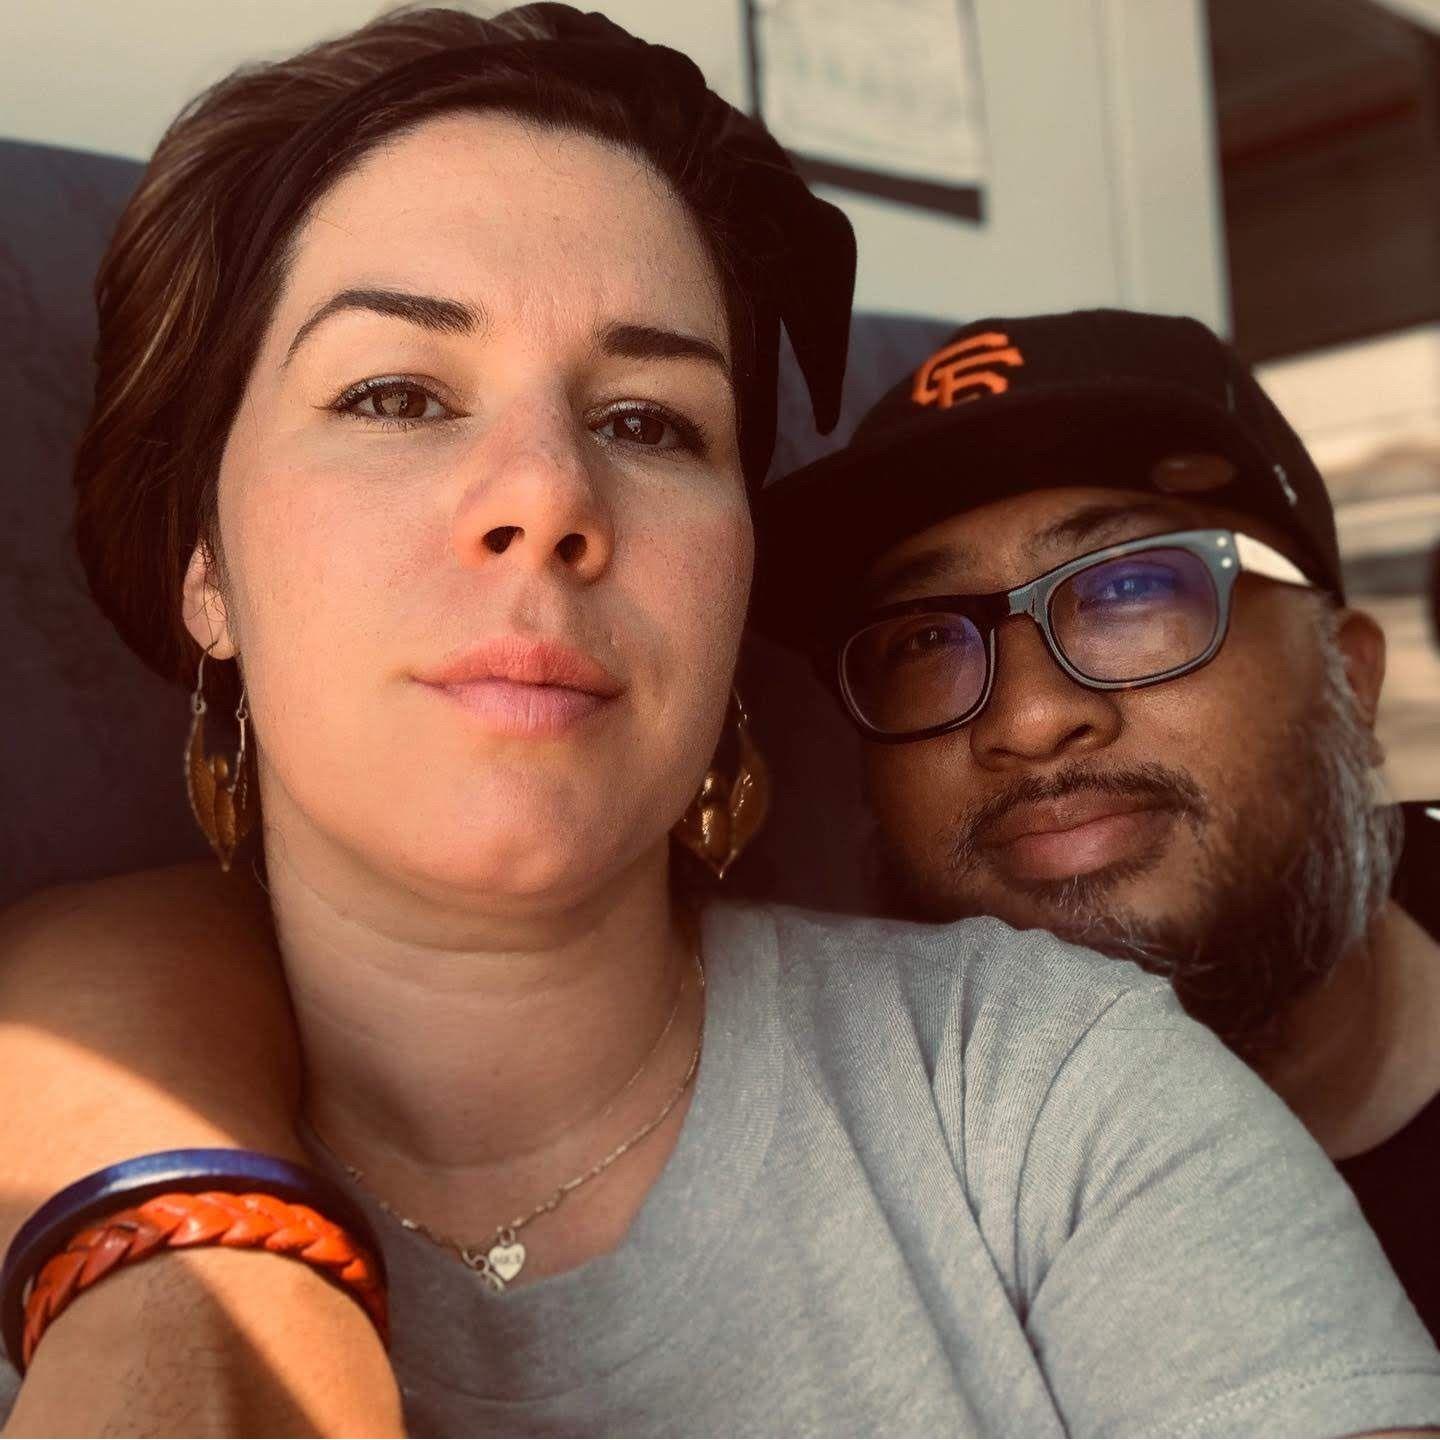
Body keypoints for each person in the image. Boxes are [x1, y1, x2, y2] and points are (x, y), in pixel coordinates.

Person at [2, 14, 1438, 1438]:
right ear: (205, 565)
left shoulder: (1054, 1083)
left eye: (648, 422)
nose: (546, 494)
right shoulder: (69, 1058)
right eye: (396, 395)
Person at [754, 308, 1440, 1340]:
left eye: (1129, 587)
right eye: (924, 638)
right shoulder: (835, 1214)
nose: (1029, 719)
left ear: (1350, 679)